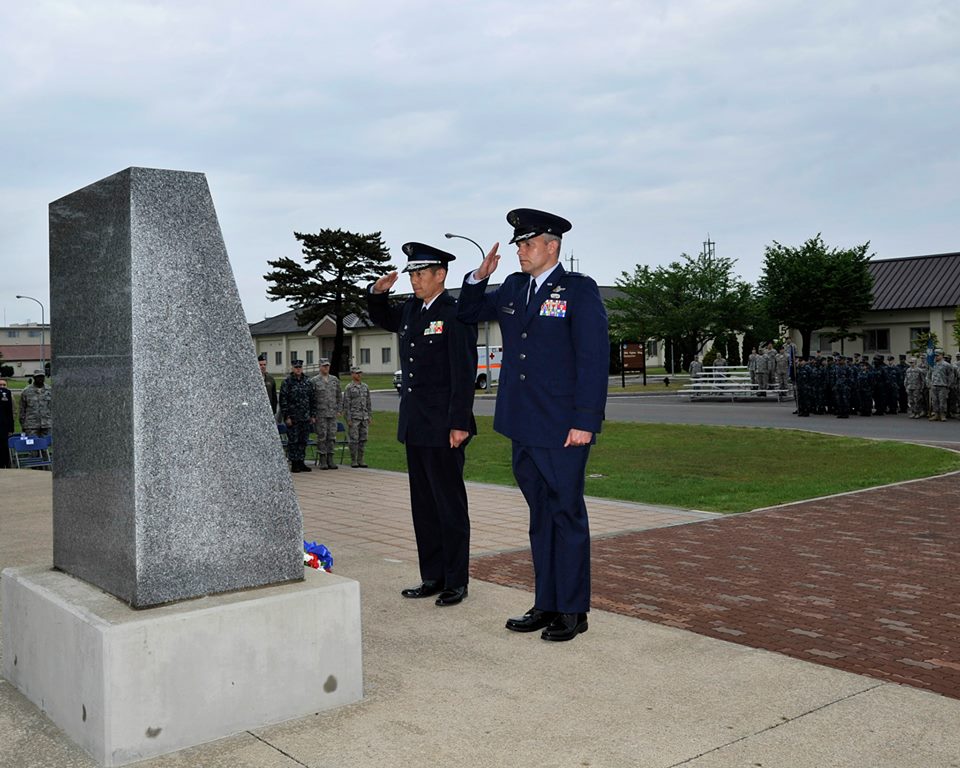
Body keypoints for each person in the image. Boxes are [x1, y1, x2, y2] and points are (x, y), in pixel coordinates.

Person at [458, 208, 609, 642]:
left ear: (552, 246)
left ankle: (573, 610)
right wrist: (478, 277)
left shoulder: (578, 290)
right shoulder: (512, 286)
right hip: (523, 424)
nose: (520, 251)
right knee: (540, 517)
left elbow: (593, 360)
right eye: (518, 245)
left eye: (527, 244)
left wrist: (585, 421)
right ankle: (546, 602)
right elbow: (468, 312)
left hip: (563, 428)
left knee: (567, 515)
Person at [367, 242, 477, 607]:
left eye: (420, 274)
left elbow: (463, 373)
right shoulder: (411, 310)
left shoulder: (454, 313)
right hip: (416, 424)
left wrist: (459, 423)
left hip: (445, 427)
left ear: (440, 274)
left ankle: (456, 581)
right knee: (424, 506)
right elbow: (381, 317)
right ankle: (432, 576)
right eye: (411, 274)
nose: (414, 280)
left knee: (449, 506)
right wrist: (377, 293)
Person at [279, 359, 316, 472]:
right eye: (296, 367)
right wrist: (286, 416)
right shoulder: (287, 382)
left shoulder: (307, 381)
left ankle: (301, 462)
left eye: (300, 367)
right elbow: (283, 401)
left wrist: (313, 415)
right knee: (293, 441)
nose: (298, 369)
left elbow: (312, 399)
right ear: (292, 368)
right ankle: (294, 463)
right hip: (293, 418)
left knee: (303, 440)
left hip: (305, 417)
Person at [311, 358, 343, 470]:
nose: (326, 368)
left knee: (332, 436)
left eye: (327, 366)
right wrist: (313, 414)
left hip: (332, 413)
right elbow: (311, 399)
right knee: (322, 436)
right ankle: (323, 459)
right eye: (324, 366)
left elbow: (339, 396)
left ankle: (330, 458)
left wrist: (339, 409)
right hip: (320, 414)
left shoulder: (334, 380)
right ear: (320, 367)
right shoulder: (314, 381)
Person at [343, 365, 372, 468]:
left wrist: (369, 416)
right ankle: (354, 460)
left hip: (364, 417)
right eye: (357, 373)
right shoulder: (349, 388)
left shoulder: (365, 387)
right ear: (352, 374)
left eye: (360, 373)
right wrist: (348, 419)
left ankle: (361, 460)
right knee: (354, 440)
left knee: (363, 439)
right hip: (354, 418)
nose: (359, 375)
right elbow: (346, 405)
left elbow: (368, 402)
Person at [19, 371, 52, 437]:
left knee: (48, 443)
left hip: (47, 424)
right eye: (38, 377)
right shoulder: (26, 391)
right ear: (34, 378)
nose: (40, 378)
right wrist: (23, 424)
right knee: (33, 443)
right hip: (31, 426)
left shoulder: (50, 390)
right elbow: (22, 409)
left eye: (42, 377)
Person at [0, 378, 14, 468]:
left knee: (5, 447)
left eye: (4, 385)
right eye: (0, 385)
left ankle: (7, 464)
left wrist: (11, 428)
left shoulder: (8, 395)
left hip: (4, 426)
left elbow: (11, 412)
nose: (2, 387)